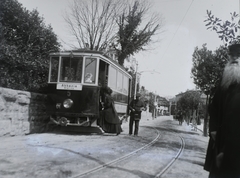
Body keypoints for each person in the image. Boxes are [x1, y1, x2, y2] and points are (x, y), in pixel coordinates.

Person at [204, 44, 240, 178]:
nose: (235, 58)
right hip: (220, 139)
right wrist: (213, 128)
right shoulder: (224, 81)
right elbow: (213, 107)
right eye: (232, 55)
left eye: (238, 55)